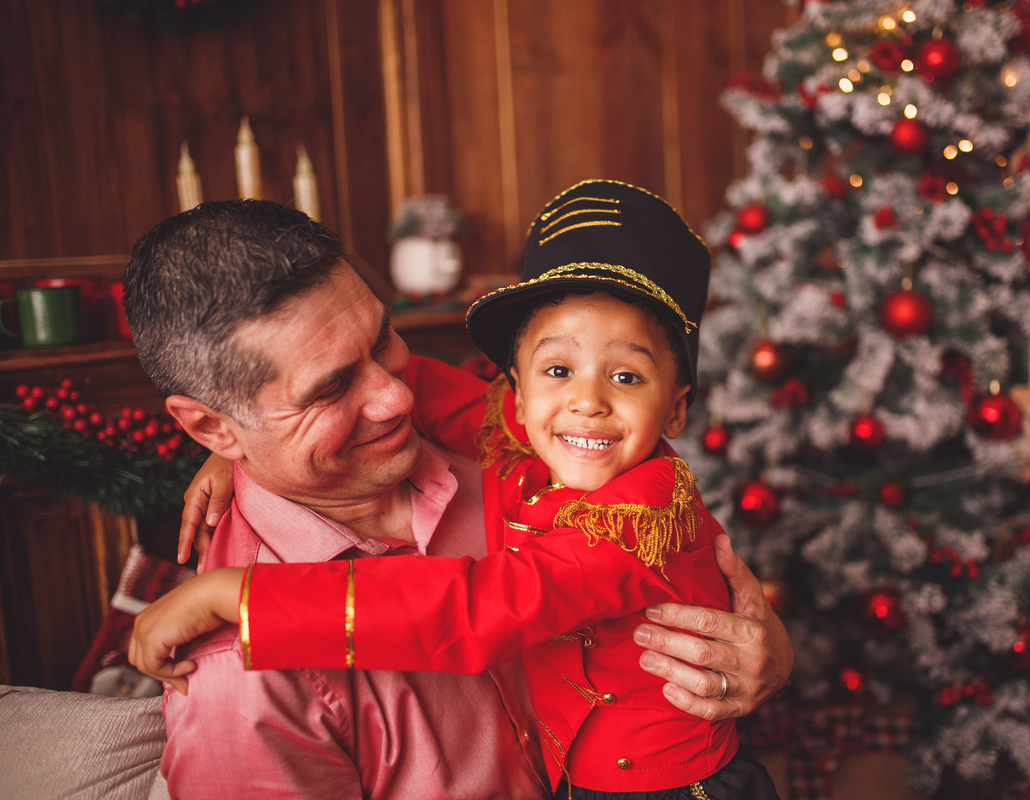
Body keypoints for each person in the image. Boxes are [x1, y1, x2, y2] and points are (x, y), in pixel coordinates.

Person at [125, 198, 794, 799]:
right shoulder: (236, 692)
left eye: (382, 340)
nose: (399, 399)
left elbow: (477, 606)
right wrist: (238, 544)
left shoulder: (560, 463)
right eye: (330, 388)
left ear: (676, 406)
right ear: (211, 424)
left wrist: (767, 655)